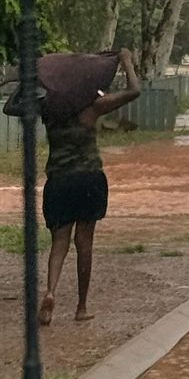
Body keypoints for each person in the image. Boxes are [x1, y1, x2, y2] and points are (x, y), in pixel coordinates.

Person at [39, 47, 141, 326]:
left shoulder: (48, 110)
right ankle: (81, 307)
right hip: (89, 178)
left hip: (58, 180)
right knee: (84, 243)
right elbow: (134, 92)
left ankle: (50, 291)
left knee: (59, 243)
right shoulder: (93, 108)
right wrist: (126, 62)